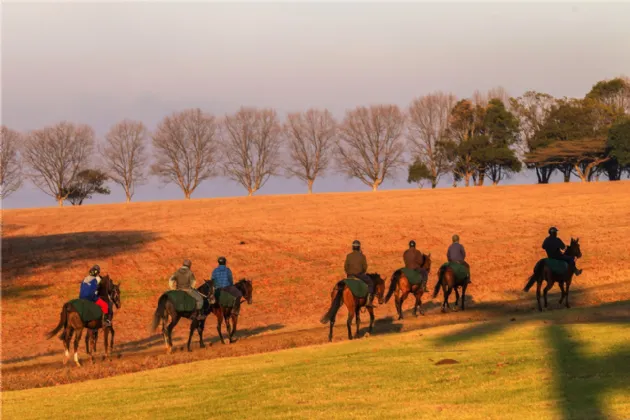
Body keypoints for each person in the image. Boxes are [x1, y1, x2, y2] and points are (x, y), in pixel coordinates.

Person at [344, 240, 375, 307]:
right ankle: (369, 301)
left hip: (350, 275)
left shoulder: (348, 256)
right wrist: (362, 272)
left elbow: (346, 267)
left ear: (353, 247)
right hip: (359, 275)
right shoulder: (362, 256)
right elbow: (364, 267)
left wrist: (348, 273)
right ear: (359, 247)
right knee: (371, 283)